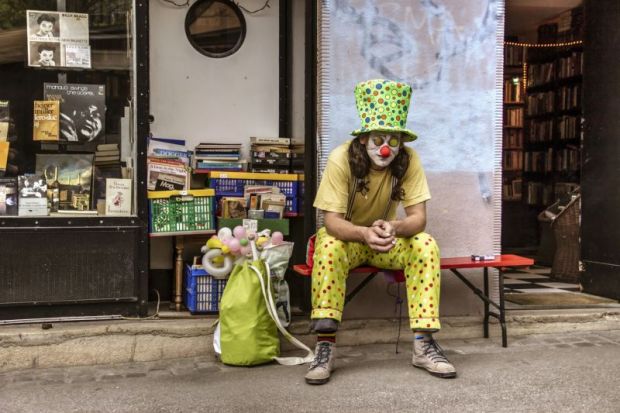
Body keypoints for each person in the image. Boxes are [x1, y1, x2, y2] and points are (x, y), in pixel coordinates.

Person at [305, 79, 456, 385]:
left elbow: (418, 219)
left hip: (385, 241)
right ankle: (325, 346)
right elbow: (330, 221)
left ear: (401, 141)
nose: (385, 148)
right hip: (347, 239)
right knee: (329, 245)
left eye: (393, 140)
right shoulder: (340, 158)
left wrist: (394, 227)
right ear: (363, 139)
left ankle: (423, 346)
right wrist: (362, 233)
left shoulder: (409, 160)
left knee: (425, 244)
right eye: (377, 139)